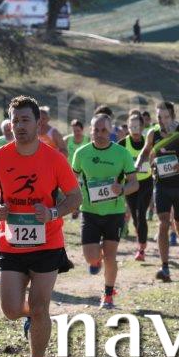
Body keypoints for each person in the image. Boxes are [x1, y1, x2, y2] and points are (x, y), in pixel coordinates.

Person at [0, 96, 81, 357]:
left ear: (38, 123)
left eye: (25, 120)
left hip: (47, 243)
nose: (19, 126)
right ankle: (35, 317)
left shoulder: (54, 159)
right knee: (11, 310)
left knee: (39, 307)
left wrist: (52, 213)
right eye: (15, 120)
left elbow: (75, 197)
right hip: (11, 243)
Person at [72, 114, 139, 308]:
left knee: (110, 256)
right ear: (90, 131)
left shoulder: (122, 153)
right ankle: (96, 260)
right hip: (90, 212)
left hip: (114, 213)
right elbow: (71, 180)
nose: (100, 134)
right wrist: (72, 200)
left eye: (104, 130)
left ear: (111, 132)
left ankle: (108, 294)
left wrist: (122, 189)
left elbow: (134, 183)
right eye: (96, 130)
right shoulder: (82, 153)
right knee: (91, 257)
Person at [135, 102, 179, 282]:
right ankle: (165, 266)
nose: (162, 120)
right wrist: (138, 164)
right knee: (163, 223)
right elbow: (145, 152)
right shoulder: (152, 133)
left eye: (166, 117)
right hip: (162, 185)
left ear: (173, 117)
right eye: (159, 117)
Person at [119, 113, 154, 261]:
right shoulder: (122, 144)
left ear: (142, 126)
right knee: (134, 216)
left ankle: (141, 248)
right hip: (130, 184)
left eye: (137, 126)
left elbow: (157, 156)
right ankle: (141, 241)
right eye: (131, 126)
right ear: (127, 127)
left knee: (141, 214)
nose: (134, 129)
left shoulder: (149, 142)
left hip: (145, 182)